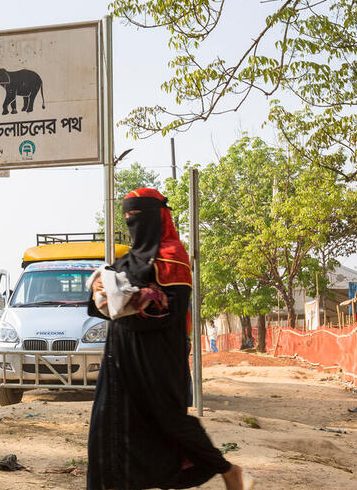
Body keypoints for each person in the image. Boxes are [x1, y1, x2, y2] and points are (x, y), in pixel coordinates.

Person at [86, 188, 250, 490]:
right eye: (128, 217)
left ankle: (227, 469)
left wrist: (137, 302)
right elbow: (103, 307)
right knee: (109, 426)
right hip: (120, 359)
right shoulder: (125, 261)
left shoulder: (173, 258)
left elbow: (171, 314)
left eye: (139, 216)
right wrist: (99, 288)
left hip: (156, 360)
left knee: (169, 421)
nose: (132, 222)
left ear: (158, 217)